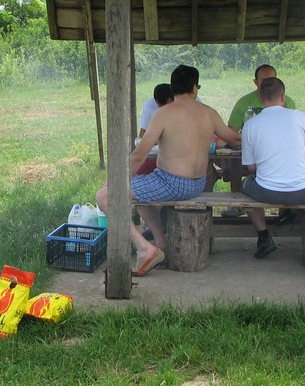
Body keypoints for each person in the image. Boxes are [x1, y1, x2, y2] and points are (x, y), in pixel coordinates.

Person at [95, 65, 240, 276]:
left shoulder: (163, 114)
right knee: (139, 188)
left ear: (172, 89)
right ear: (194, 87)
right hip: (198, 183)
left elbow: (140, 154)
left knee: (104, 196)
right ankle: (160, 242)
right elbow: (234, 139)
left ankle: (145, 249)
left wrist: (116, 181)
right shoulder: (209, 113)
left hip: (172, 183)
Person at [240, 77, 305, 258]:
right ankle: (291, 212)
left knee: (245, 185)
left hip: (266, 191)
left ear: (260, 98)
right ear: (283, 97)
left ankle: (264, 236)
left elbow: (250, 168)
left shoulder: (250, 125)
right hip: (303, 192)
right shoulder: (299, 117)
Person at [222, 64, 298, 216]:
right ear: (255, 82)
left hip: (279, 154)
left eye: (272, 79)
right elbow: (230, 133)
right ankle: (236, 205)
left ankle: (287, 212)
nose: (268, 83)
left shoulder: (289, 103)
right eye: (264, 80)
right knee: (234, 164)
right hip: (249, 153)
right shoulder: (244, 103)